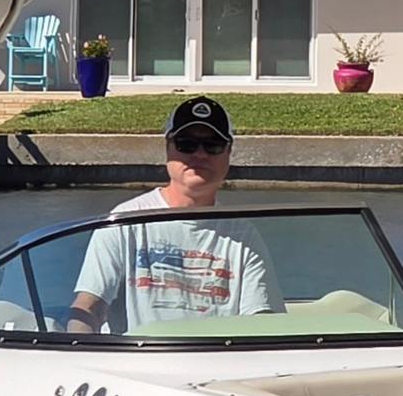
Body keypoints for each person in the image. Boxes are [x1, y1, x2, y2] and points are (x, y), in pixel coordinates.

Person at [66, 96, 284, 334]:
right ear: (168, 147)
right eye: (186, 144)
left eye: (213, 145)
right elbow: (89, 306)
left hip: (218, 357)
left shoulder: (244, 236)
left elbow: (262, 321)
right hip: (136, 354)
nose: (200, 154)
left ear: (229, 152)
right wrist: (77, 344)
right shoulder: (123, 220)